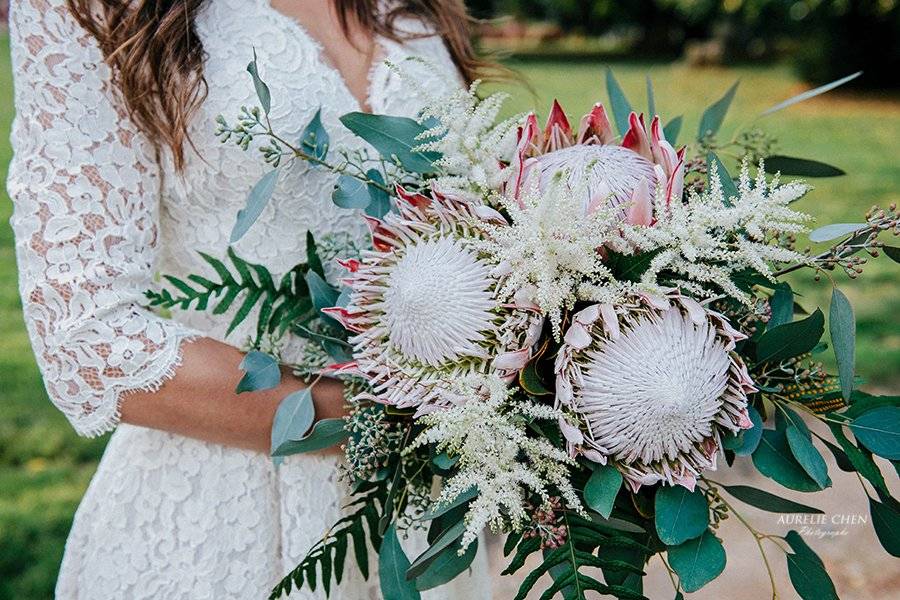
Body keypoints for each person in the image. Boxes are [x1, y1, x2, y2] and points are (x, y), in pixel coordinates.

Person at [6, 0, 491, 597]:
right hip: (224, 516)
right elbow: (86, 344)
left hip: (427, 523)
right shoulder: (94, 7)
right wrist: (401, 419)